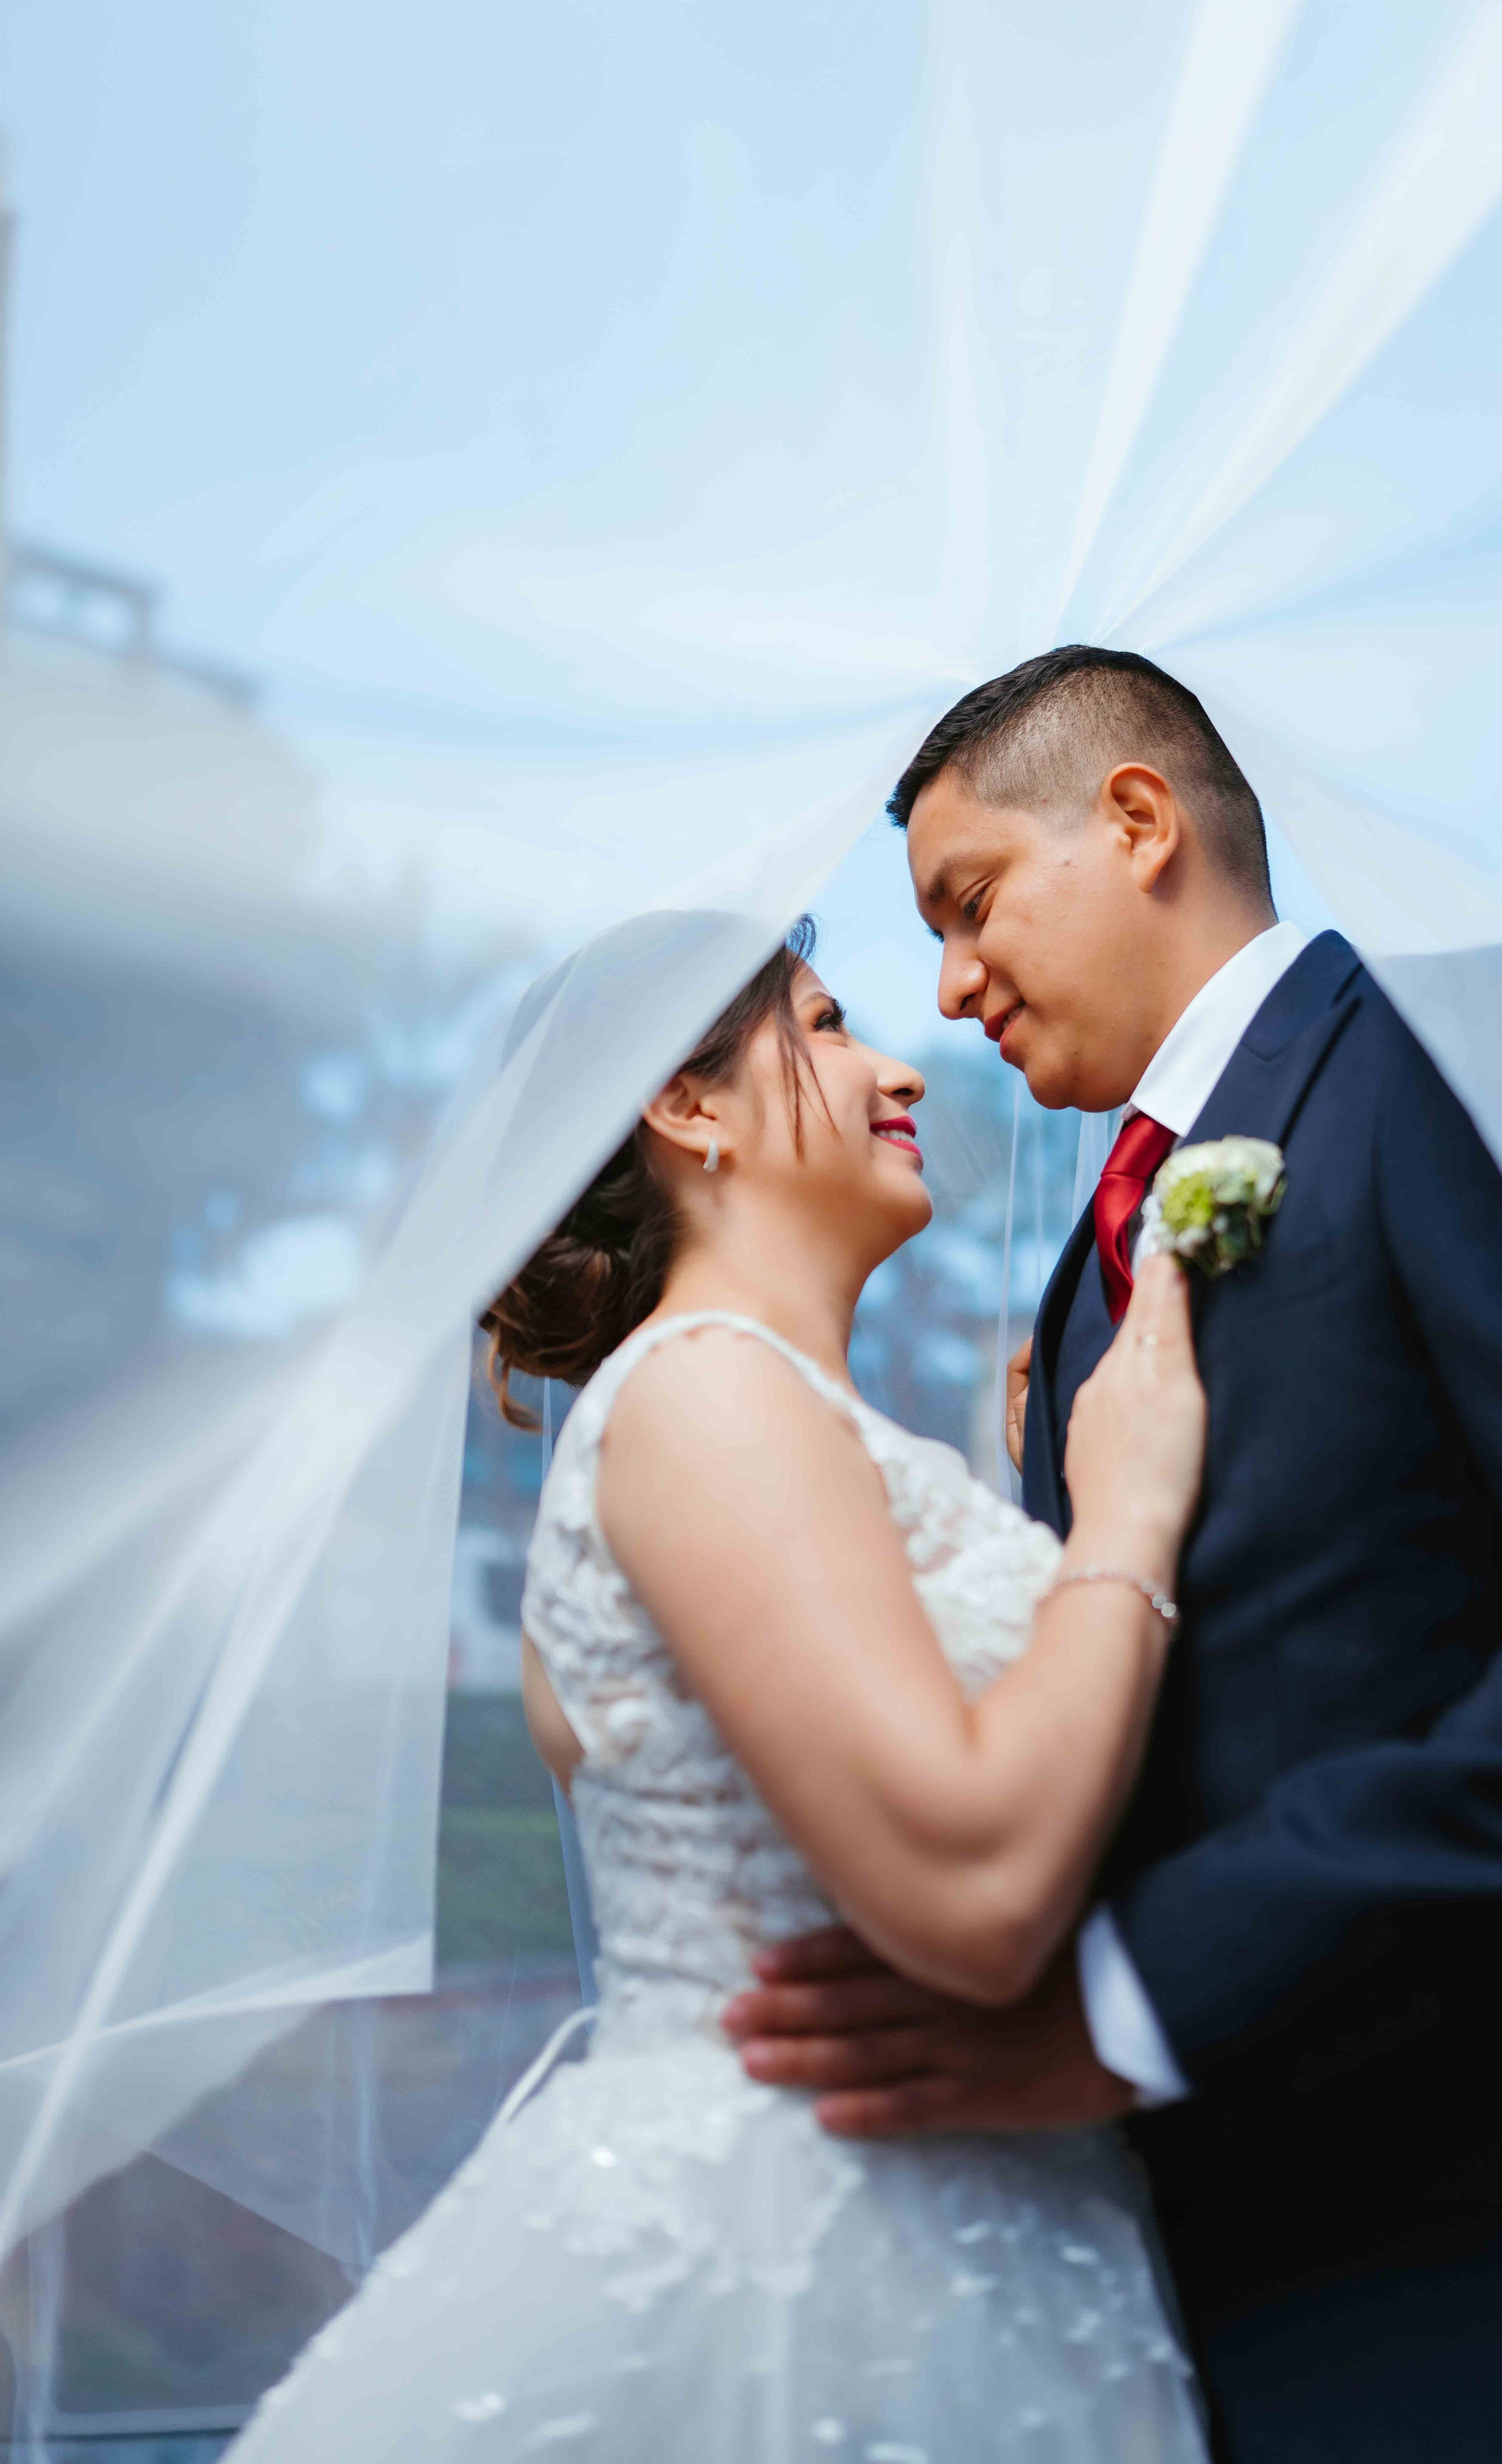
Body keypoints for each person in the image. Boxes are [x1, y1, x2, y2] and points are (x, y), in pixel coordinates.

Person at [726, 647, 1502, 2463]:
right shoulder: (1073, 1307)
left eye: (970, 900)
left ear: (1139, 819)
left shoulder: (1472, 1052)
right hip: (1221, 2330)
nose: (944, 982)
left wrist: (1136, 1993)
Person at [224, 918, 1214, 2460]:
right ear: (685, 1108)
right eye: (822, 1028)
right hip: (796, 2262)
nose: (895, 1069)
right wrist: (1134, 1513)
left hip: (975, 2240)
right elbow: (973, 1880)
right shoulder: (700, 1394)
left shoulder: (776, 1425)